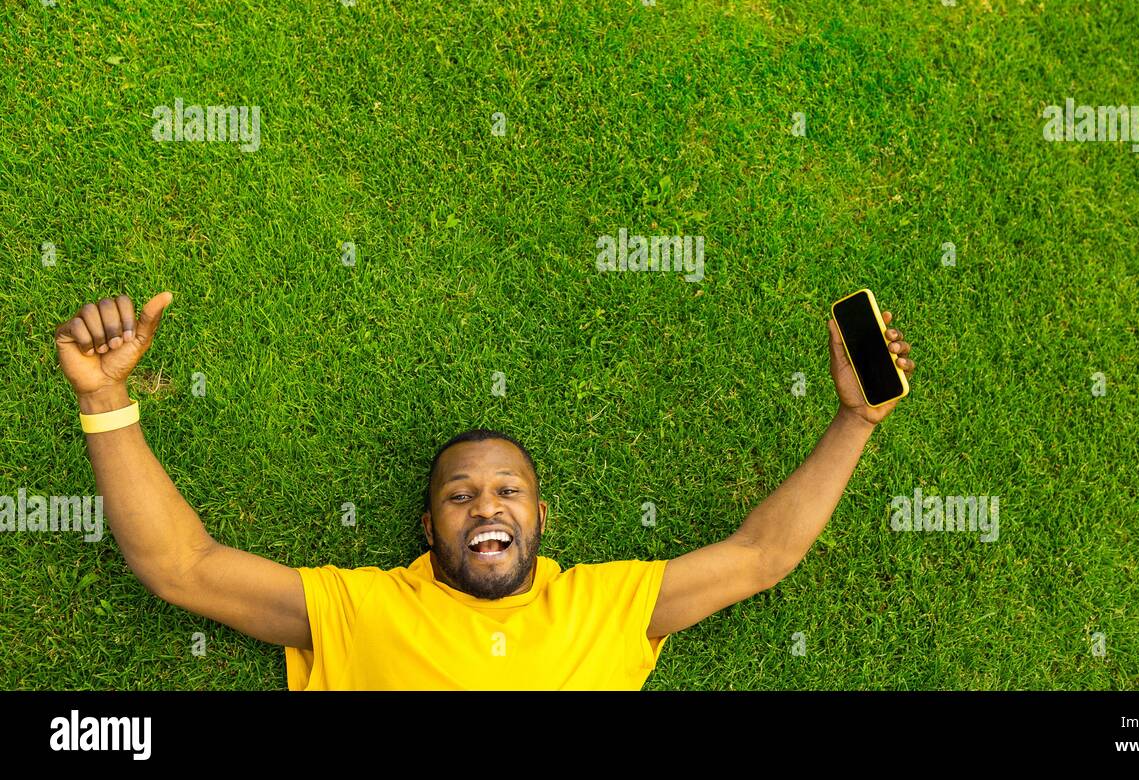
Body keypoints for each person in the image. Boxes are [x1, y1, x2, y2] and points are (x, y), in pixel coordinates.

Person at [55, 290, 915, 689]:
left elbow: (761, 556)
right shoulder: (364, 610)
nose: (487, 505)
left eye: (508, 490)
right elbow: (185, 569)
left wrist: (855, 422)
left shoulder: (607, 606)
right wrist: (104, 398)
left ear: (542, 518)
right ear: (429, 529)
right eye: (460, 497)